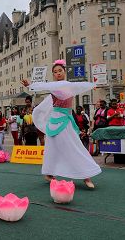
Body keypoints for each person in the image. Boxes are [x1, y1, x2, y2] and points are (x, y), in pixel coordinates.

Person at [21, 59, 101, 189]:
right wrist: (30, 85)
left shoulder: (69, 85)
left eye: (60, 71)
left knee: (74, 146)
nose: (57, 73)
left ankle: (86, 176)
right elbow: (42, 86)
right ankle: (49, 174)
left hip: (66, 120)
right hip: (54, 121)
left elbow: (81, 85)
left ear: (64, 71)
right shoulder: (53, 86)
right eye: (55, 72)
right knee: (52, 149)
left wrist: (91, 85)